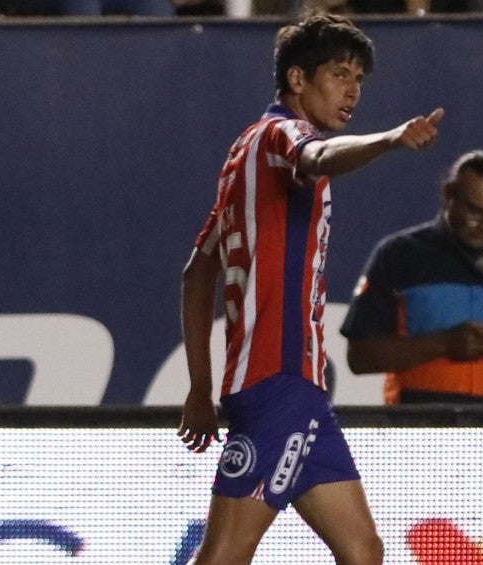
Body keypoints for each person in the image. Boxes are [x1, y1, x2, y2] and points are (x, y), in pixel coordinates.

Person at [177, 10, 443, 565]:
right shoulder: (283, 134)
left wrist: (201, 388)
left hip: (299, 391)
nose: (352, 91)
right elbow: (317, 155)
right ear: (297, 80)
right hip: (279, 382)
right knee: (224, 553)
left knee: (363, 550)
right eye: (339, 74)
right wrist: (392, 138)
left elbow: (195, 274)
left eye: (359, 80)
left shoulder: (240, 156)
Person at [339, 149, 483, 406]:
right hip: (417, 432)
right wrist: (444, 343)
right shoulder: (399, 255)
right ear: (448, 195)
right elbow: (359, 358)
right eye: (475, 212)